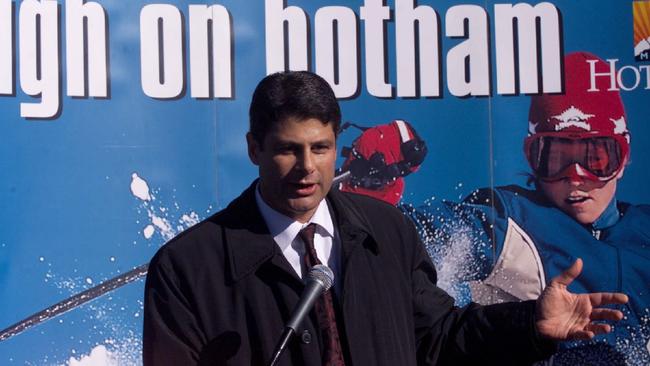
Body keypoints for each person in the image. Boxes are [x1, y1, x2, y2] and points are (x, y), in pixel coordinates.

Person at [143, 70, 628, 365]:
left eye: (321, 148)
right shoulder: (187, 268)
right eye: (288, 150)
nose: (307, 168)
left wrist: (530, 325)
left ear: (339, 146)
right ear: (253, 149)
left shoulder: (387, 233)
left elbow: (439, 340)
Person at [373, 52, 649, 365]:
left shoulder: (644, 231)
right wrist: (364, 205)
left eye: (596, 158)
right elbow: (429, 232)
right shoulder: (512, 220)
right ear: (532, 158)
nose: (576, 178)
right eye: (555, 159)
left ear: (623, 159)